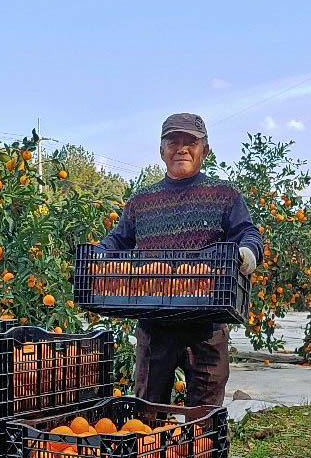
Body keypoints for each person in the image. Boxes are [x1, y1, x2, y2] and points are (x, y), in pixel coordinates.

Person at [97, 113, 263, 407]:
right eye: (173, 142)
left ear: (205, 150)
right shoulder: (141, 201)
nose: (181, 149)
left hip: (207, 324)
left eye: (191, 142)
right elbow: (118, 240)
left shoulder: (225, 195)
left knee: (205, 417)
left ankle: (203, 441)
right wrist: (99, 253)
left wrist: (246, 254)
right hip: (154, 323)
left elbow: (248, 233)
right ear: (162, 151)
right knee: (148, 413)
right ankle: (152, 438)